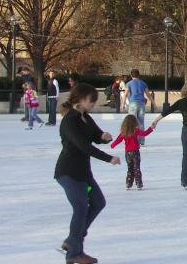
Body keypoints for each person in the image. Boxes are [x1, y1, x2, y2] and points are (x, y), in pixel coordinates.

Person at [54, 83, 120, 264]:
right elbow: (83, 146)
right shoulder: (70, 120)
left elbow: (95, 136)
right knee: (81, 208)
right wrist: (108, 158)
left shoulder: (85, 118)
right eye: (92, 100)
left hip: (83, 173)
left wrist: (103, 137)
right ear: (81, 98)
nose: (93, 103)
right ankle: (74, 252)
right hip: (68, 173)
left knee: (98, 202)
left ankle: (72, 241)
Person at [151, 81, 187, 189]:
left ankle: (184, 181)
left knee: (186, 156)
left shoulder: (181, 102)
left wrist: (156, 121)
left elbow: (166, 111)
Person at [110, 114, 154, 189]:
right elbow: (144, 133)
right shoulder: (135, 130)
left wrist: (112, 145)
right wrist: (151, 128)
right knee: (137, 168)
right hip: (135, 152)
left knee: (130, 168)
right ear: (135, 123)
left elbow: (118, 140)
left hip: (127, 153)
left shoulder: (123, 132)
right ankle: (139, 183)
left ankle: (128, 183)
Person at [123, 69, 155, 145]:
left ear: (131, 75)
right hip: (141, 103)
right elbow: (148, 95)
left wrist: (123, 104)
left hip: (133, 103)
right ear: (138, 75)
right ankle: (141, 141)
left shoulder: (129, 83)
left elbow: (125, 94)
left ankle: (133, 140)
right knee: (141, 122)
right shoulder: (143, 83)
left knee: (132, 122)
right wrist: (154, 103)